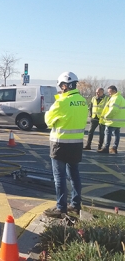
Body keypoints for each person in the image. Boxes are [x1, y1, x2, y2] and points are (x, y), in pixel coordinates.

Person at [43, 72, 88, 218]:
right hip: (76, 145)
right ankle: (75, 204)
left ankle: (61, 207)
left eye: (61, 86)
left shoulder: (61, 102)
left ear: (64, 85)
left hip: (60, 144)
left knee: (59, 177)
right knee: (74, 174)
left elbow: (48, 121)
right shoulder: (82, 101)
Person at [98, 85, 125, 154]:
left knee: (108, 133)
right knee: (116, 134)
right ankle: (114, 148)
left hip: (112, 120)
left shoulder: (115, 98)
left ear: (114, 91)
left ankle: (106, 148)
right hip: (118, 121)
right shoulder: (120, 97)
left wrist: (106, 116)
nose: (109, 93)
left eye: (110, 92)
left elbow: (113, 109)